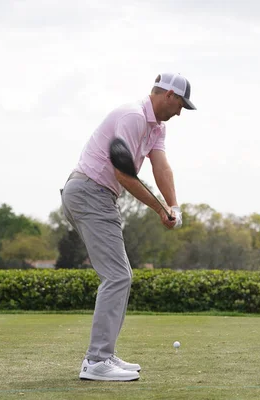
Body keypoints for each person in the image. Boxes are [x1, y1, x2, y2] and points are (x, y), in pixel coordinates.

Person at [60, 73, 196, 381]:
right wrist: (159, 208)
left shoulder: (156, 128)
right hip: (89, 191)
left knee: (121, 275)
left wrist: (173, 206)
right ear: (169, 96)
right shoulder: (133, 117)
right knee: (118, 275)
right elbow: (123, 175)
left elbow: (160, 165)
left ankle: (103, 354)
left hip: (96, 195)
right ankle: (96, 361)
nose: (179, 113)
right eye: (180, 105)